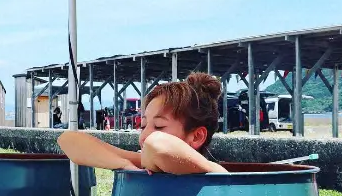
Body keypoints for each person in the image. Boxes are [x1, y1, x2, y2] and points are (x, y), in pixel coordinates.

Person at [58, 73, 227, 174]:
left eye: (159, 126)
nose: (145, 135)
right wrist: (124, 164)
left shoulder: (214, 172)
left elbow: (157, 145)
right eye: (143, 126)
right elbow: (68, 140)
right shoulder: (148, 159)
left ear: (197, 136)